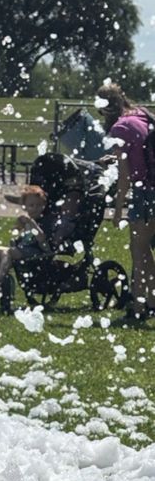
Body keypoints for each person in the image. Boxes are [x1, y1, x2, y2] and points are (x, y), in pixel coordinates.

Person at [97, 82, 155, 322]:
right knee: (146, 253)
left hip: (147, 194)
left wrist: (119, 208)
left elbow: (124, 179)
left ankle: (138, 309)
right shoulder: (142, 114)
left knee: (139, 252)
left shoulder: (120, 128)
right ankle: (151, 302)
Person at [0, 185, 52, 294]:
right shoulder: (26, 221)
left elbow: (42, 239)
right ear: (25, 207)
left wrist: (32, 224)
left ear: (43, 206)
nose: (35, 208)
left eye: (39, 205)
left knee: (8, 251)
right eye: (32, 205)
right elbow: (18, 234)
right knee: (0, 250)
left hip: (37, 253)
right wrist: (18, 228)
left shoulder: (44, 221)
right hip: (24, 250)